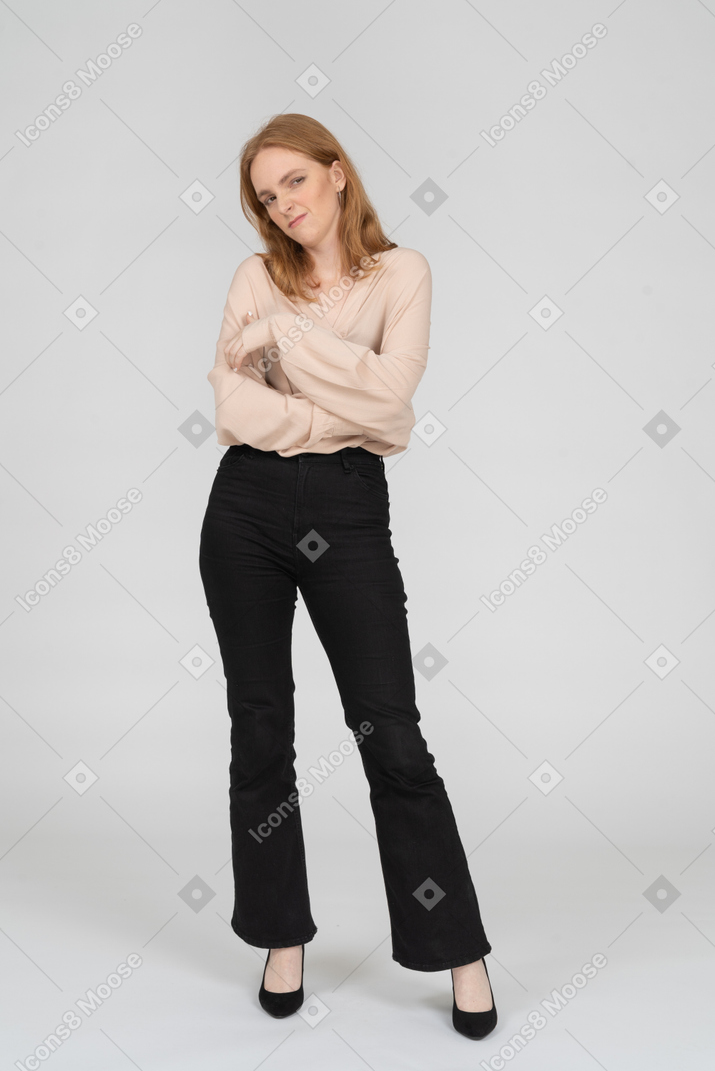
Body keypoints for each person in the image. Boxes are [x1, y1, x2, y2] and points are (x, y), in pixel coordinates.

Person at [198, 113, 497, 1040]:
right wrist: (332, 406)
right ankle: (280, 935)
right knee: (260, 730)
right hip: (243, 510)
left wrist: (284, 347)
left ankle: (457, 950)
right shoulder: (254, 276)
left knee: (391, 733)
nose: (279, 205)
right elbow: (231, 403)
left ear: (335, 173)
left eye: (292, 181)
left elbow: (392, 404)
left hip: (348, 514)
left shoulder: (400, 273)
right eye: (263, 195)